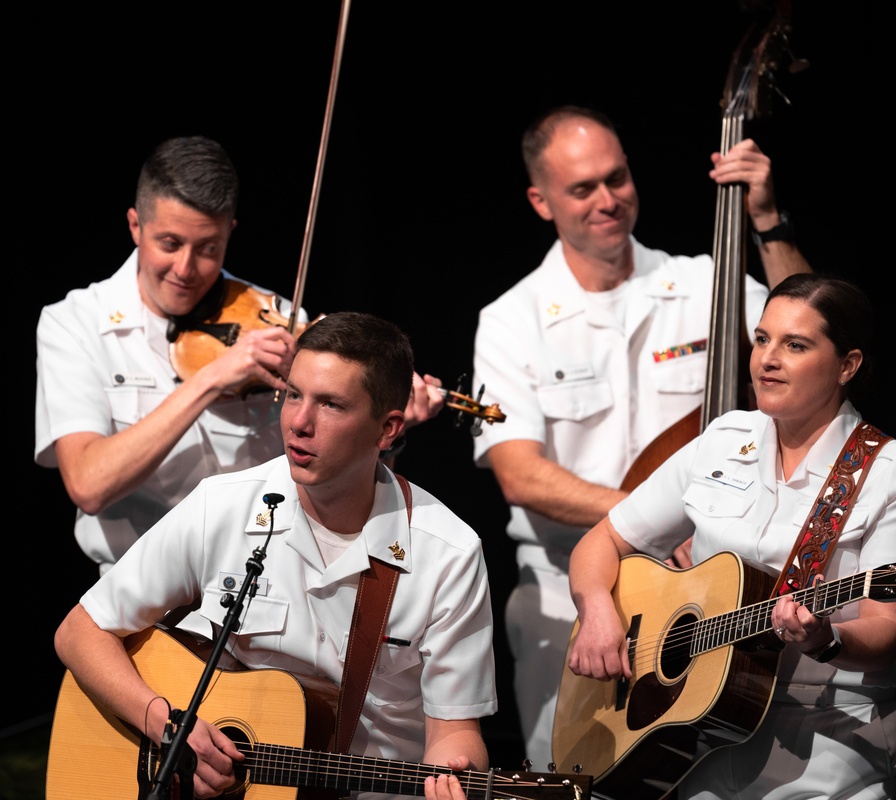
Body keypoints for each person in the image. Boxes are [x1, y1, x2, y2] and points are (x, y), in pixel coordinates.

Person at [471, 105, 812, 766]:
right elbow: (521, 474)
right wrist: (647, 523)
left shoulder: (701, 282)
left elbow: (814, 327)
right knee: (577, 775)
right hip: (566, 595)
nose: (608, 199)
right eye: (582, 188)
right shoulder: (512, 319)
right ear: (541, 202)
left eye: (617, 178)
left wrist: (768, 220)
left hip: (704, 586)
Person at [53, 311, 496, 800]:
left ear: (388, 429)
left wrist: (456, 772)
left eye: (330, 404)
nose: (299, 422)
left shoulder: (449, 553)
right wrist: (166, 723)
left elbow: (455, 733)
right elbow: (80, 631)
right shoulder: (222, 504)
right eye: (292, 394)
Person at [566, 273, 896, 799]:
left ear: (847, 365)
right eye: (763, 339)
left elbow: (887, 629)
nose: (767, 358)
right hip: (695, 735)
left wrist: (826, 639)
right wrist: (596, 611)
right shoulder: (723, 439)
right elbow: (602, 543)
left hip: (828, 741)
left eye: (795, 345)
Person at [34, 136, 443, 578]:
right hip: (141, 583)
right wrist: (211, 379)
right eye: (169, 243)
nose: (187, 270)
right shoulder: (73, 323)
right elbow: (89, 485)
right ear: (135, 225)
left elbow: (338, 487)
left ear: (230, 231)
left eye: (208, 248)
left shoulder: (280, 319)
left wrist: (385, 439)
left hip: (272, 577)